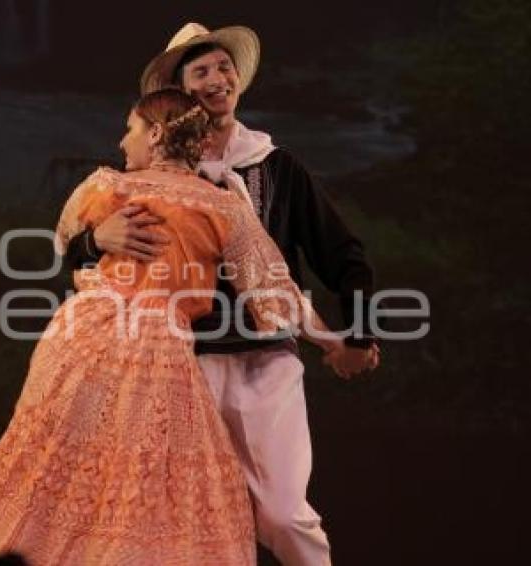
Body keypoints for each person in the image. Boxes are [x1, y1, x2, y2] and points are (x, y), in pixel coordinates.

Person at [0, 89, 346, 565]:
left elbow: (63, 239)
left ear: (158, 133)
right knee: (144, 492)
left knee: (56, 476)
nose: (124, 142)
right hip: (153, 350)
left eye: (131, 129)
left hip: (83, 342)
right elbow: (276, 294)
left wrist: (95, 238)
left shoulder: (106, 187)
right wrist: (334, 343)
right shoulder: (222, 206)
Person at [61, 23, 381, 566]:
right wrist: (97, 239)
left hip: (265, 361)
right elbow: (79, 251)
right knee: (183, 520)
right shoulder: (142, 177)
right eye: (201, 70)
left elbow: (340, 254)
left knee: (283, 514)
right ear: (181, 94)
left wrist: (355, 333)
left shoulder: (274, 167)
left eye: (223, 67)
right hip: (180, 364)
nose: (217, 78)